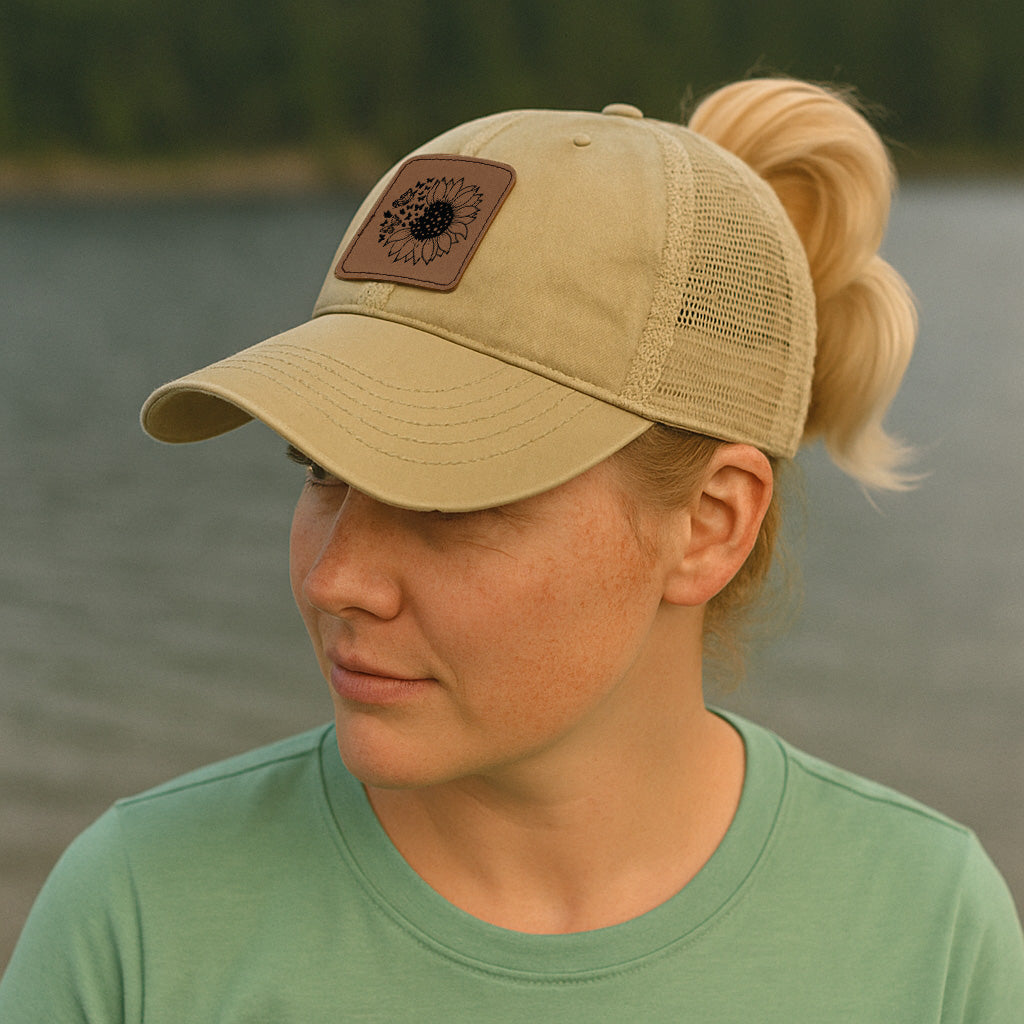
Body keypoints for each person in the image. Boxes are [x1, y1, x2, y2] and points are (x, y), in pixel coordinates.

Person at [2, 77, 1022, 1022]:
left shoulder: (926, 934)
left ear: (710, 523)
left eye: (448, 499)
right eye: (319, 469)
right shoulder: (136, 919)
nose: (335, 578)